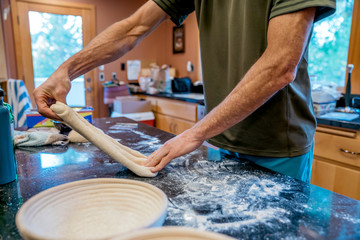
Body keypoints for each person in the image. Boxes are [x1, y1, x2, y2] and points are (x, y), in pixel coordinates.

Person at [34, 0, 336, 183]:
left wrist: (195, 133)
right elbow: (132, 28)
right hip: (222, 137)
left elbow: (281, 65)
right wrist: (66, 71)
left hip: (276, 145)